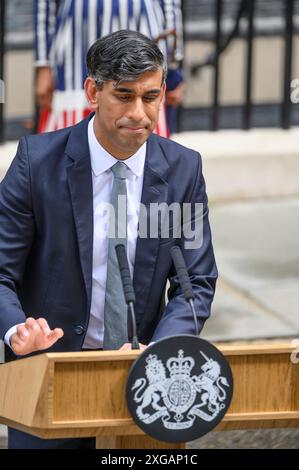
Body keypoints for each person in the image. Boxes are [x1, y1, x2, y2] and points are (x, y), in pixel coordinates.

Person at [0, 30, 217, 449]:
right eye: (124, 95)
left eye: (150, 97)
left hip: (148, 374)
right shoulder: (36, 163)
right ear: (92, 91)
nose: (139, 112)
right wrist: (16, 331)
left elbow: (195, 284)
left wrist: (161, 351)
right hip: (51, 370)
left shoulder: (183, 171)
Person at [34, 0, 184, 136]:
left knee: (140, 109)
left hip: (141, 26)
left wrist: (173, 63)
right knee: (69, 147)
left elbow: (171, 4)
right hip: (78, 40)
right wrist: (43, 64)